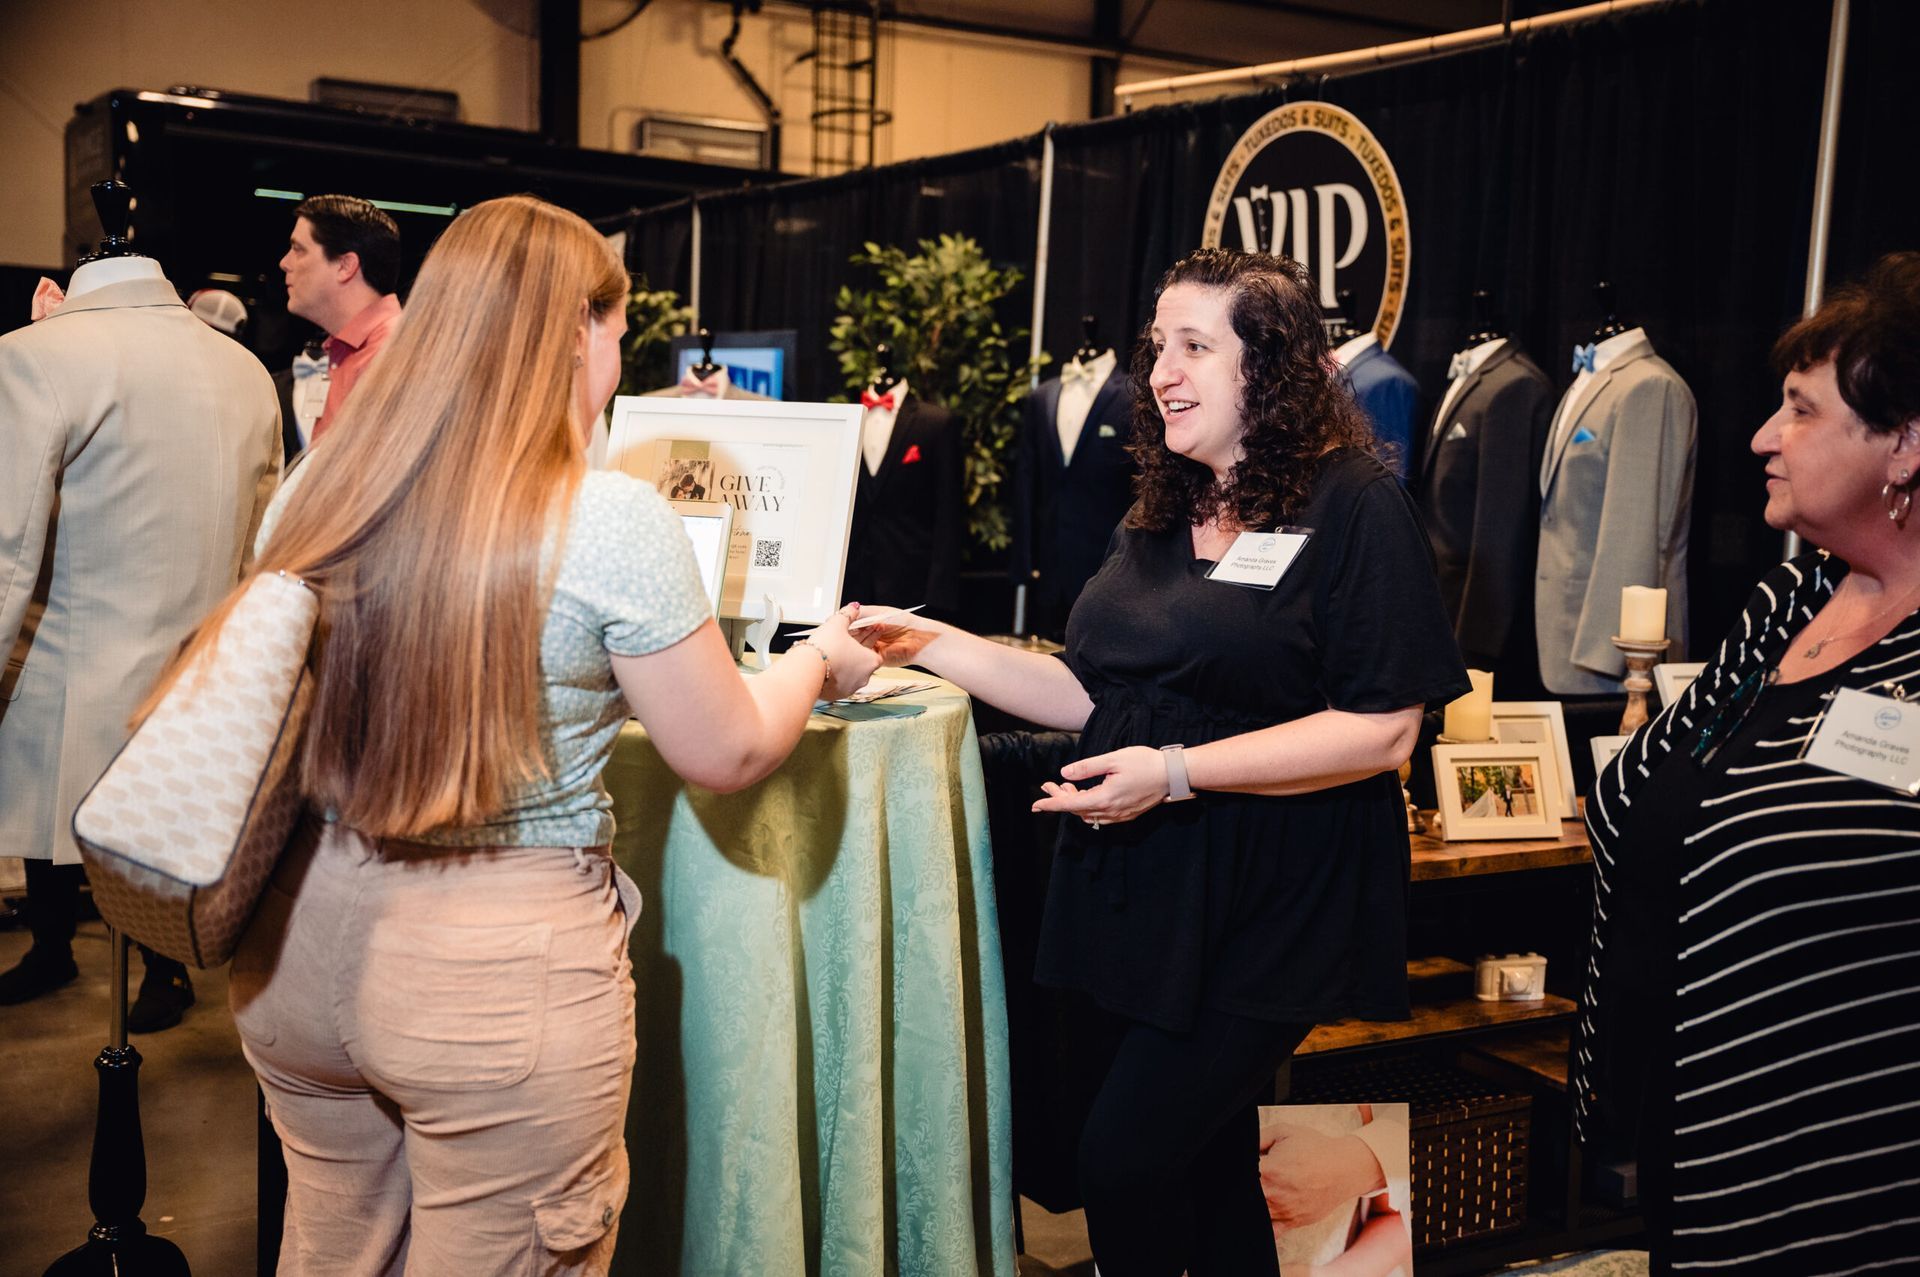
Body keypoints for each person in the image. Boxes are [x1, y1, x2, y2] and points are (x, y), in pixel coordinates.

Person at [158, 195, 878, 1274]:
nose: (617, 366)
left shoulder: (320, 484)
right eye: (615, 336)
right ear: (574, 330)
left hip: (295, 942)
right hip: (491, 976)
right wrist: (818, 658)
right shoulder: (606, 517)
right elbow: (724, 749)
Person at [857, 248, 1468, 1276]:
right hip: (1152, 885)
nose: (1164, 371)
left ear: (1267, 367)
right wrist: (922, 643)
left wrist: (1176, 770)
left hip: (1277, 889)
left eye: (1195, 345)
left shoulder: (1355, 504)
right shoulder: (1160, 506)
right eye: (1157, 347)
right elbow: (1091, 688)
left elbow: (1383, 729)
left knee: (1124, 1158)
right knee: (1212, 1160)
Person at [1576, 252, 1920, 1274]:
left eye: (1802, 411)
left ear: (1905, 445)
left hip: (1855, 1178)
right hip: (1698, 1130)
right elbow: (1638, 796)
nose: (1764, 436)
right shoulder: (1788, 606)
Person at [0, 249, 280, 1030]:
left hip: (74, 669)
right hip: (201, 676)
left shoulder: (30, 358)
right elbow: (263, 549)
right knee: (154, 842)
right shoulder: (245, 371)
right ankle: (90, 954)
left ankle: (145, 965)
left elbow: (5, 549)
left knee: (91, 831)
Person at [279, 193, 402, 440]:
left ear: (345, 266)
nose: (285, 262)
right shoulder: (358, 351)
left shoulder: (394, 353)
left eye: (298, 250)